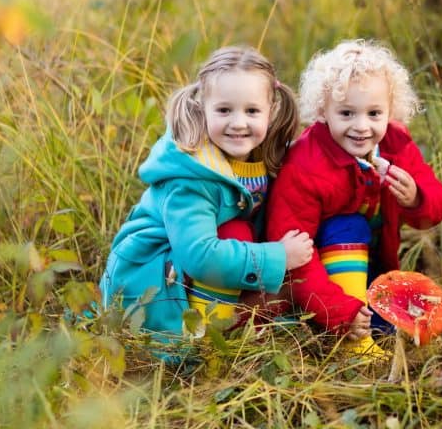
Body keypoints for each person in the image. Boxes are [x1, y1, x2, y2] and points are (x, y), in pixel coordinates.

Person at [100, 46, 313, 342]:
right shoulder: (192, 176)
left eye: (252, 111)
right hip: (151, 283)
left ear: (271, 110)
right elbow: (200, 256)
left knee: (265, 256)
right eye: (224, 110)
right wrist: (278, 256)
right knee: (236, 231)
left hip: (195, 274)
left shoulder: (263, 155)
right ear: (203, 108)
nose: (238, 123)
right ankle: (210, 335)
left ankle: (241, 316)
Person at [266, 39, 442, 355]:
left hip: (373, 268)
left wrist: (415, 198)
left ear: (390, 111)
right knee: (348, 224)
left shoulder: (395, 145)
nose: (361, 126)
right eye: (347, 113)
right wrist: (339, 311)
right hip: (319, 283)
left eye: (374, 113)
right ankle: (352, 344)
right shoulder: (305, 164)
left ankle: (367, 322)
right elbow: (294, 257)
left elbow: (436, 205)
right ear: (323, 111)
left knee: (395, 331)